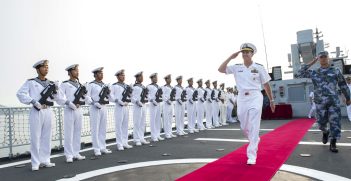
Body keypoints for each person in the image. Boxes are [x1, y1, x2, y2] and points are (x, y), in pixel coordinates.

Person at [218, 43, 275, 165]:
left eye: (247, 52)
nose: (244, 54)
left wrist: (271, 100)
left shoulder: (259, 67)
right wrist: (230, 57)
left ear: (252, 53)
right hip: (242, 97)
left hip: (255, 96)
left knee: (254, 125)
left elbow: (266, 85)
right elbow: (221, 69)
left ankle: (252, 155)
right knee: (244, 126)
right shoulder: (237, 67)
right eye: (243, 52)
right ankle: (254, 139)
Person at [296, 51, 351, 153]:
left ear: (328, 58)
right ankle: (325, 132)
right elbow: (299, 73)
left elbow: (343, 85)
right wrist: (312, 62)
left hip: (333, 102)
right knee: (321, 123)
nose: (323, 59)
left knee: (335, 122)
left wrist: (348, 98)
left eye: (325, 57)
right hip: (320, 102)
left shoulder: (335, 71)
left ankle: (333, 142)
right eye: (321, 57)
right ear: (319, 59)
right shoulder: (314, 72)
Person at [16, 60, 58, 171]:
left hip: (48, 110)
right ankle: (35, 162)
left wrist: (56, 91)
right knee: (35, 138)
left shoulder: (51, 83)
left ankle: (45, 160)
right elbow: (20, 94)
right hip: (37, 111)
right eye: (44, 67)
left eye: (47, 67)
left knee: (47, 137)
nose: (46, 69)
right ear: (38, 69)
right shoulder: (31, 82)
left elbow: (56, 98)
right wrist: (33, 101)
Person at [57, 64, 86, 162]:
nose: (77, 72)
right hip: (69, 110)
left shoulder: (80, 85)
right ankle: (69, 155)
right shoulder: (65, 84)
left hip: (79, 109)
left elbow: (85, 97)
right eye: (75, 70)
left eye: (78, 70)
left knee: (77, 132)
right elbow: (60, 97)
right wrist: (69, 103)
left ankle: (76, 152)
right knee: (69, 133)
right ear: (69, 72)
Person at [86, 67, 112, 156]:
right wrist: (93, 103)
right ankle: (96, 149)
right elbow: (87, 96)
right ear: (95, 74)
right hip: (95, 107)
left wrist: (109, 93)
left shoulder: (104, 85)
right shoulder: (91, 84)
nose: (102, 74)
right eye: (100, 73)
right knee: (95, 129)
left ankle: (103, 147)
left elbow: (110, 97)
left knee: (103, 128)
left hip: (104, 107)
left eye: (102, 73)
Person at [109, 69, 133, 151]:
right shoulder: (114, 85)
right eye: (121, 75)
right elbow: (110, 96)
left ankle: (125, 142)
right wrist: (117, 100)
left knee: (125, 125)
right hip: (119, 106)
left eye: (124, 75)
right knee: (118, 126)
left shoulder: (126, 86)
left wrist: (128, 99)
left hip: (126, 106)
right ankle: (119, 144)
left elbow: (130, 96)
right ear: (118, 76)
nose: (123, 76)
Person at [132, 71, 150, 146]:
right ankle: (136, 139)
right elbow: (132, 97)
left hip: (143, 105)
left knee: (142, 122)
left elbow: (147, 96)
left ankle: (141, 138)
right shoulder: (134, 87)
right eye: (140, 76)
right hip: (137, 106)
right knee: (137, 123)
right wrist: (136, 101)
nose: (142, 77)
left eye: (142, 76)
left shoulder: (143, 86)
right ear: (137, 78)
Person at [147, 73, 164, 142]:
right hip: (153, 104)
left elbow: (161, 95)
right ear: (152, 78)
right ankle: (153, 136)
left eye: (156, 77)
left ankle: (157, 134)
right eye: (154, 77)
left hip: (158, 103)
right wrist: (151, 100)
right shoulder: (149, 86)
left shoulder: (158, 87)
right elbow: (147, 95)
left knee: (157, 120)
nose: (156, 79)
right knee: (153, 120)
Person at [162, 74, 177, 138]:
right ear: (166, 80)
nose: (170, 80)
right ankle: (167, 133)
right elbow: (162, 95)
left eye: (170, 78)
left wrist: (172, 100)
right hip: (166, 104)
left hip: (171, 104)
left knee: (170, 119)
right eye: (168, 79)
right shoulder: (164, 87)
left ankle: (170, 132)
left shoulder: (172, 87)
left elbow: (173, 95)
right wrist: (167, 100)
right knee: (166, 119)